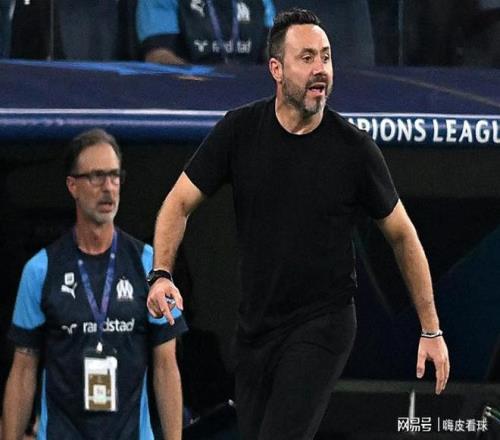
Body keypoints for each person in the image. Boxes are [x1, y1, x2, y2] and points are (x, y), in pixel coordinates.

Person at [147, 8, 450, 440]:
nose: (320, 69)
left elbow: (403, 236)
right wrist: (161, 273)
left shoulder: (354, 150)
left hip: (322, 322)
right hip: (255, 329)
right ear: (276, 69)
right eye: (307, 58)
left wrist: (431, 329)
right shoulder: (239, 130)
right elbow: (177, 204)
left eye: (326, 57)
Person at [2, 129, 188, 440]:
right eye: (96, 176)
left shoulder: (150, 265)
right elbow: (23, 370)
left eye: (115, 176)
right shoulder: (40, 270)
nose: (108, 187)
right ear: (72, 185)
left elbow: (166, 366)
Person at [136, 0, 276, 64]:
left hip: (250, 91)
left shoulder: (262, 2)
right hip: (187, 90)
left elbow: (272, 50)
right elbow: (158, 55)